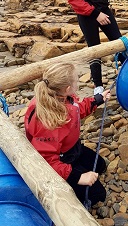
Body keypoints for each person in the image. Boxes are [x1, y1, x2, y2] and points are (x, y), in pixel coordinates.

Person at [24, 62, 111, 207]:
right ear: (68, 88)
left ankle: (78, 170)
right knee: (98, 195)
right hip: (62, 159)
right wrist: (78, 177)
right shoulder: (50, 122)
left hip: (72, 148)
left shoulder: (63, 97)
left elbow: (78, 108)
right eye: (76, 80)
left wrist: (97, 99)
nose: (79, 81)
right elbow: (47, 161)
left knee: (100, 165)